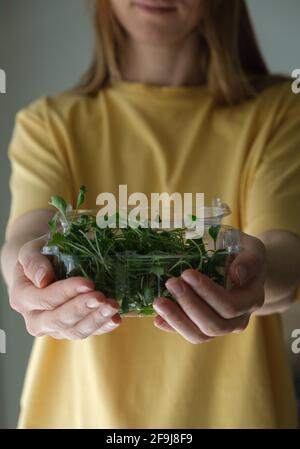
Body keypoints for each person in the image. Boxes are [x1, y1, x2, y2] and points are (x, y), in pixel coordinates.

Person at [1, 0, 300, 429]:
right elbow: (27, 237)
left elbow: (286, 254)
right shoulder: (48, 124)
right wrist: (27, 278)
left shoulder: (280, 113)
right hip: (80, 416)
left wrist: (255, 274)